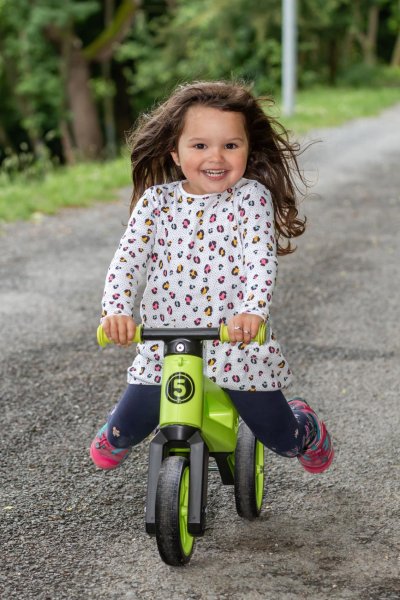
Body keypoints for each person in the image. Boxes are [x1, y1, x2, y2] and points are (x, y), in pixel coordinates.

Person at [90, 80, 334, 475]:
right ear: (176, 151)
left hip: (234, 342)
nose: (216, 157)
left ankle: (304, 425)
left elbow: (260, 260)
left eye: (230, 145)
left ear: (247, 149)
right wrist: (116, 311)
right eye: (200, 145)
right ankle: (118, 430)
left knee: (281, 439)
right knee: (122, 434)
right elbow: (127, 262)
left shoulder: (250, 198)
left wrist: (252, 312)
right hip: (166, 344)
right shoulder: (157, 203)